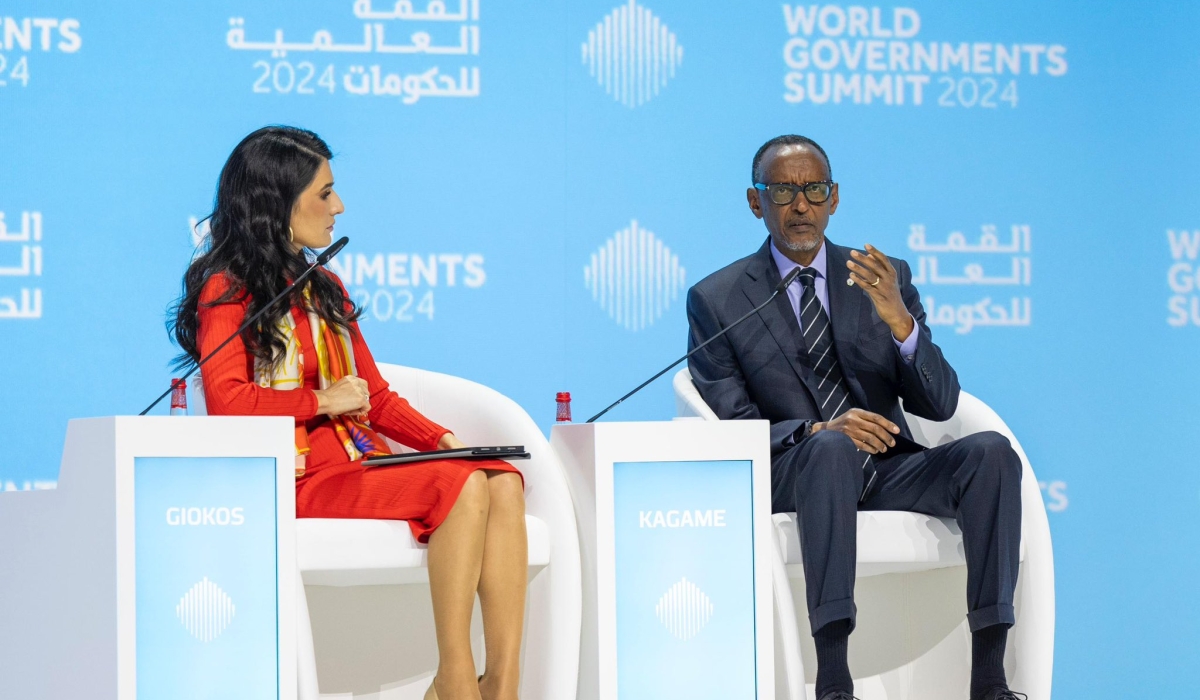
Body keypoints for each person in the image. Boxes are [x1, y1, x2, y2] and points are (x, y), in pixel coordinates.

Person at [170, 126, 526, 700]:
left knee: (502, 482)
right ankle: (455, 680)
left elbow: (373, 397)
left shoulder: (323, 284)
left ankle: (504, 684)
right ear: (277, 202)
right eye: (325, 193)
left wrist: (443, 440)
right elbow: (228, 403)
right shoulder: (227, 289)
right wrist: (320, 401)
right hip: (296, 480)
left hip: (358, 464)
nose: (340, 207)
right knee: (459, 489)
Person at [686, 135, 1024, 700]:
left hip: (889, 468)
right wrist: (816, 431)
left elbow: (939, 404)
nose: (801, 206)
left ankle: (990, 678)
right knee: (831, 450)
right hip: (796, 469)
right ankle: (834, 680)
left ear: (834, 198)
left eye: (814, 190)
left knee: (990, 454)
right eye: (784, 191)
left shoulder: (882, 276)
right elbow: (729, 422)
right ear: (755, 202)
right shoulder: (718, 299)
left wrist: (900, 323)